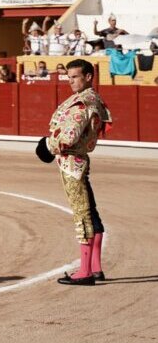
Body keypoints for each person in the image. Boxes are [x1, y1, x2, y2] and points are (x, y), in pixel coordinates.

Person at [38, 59, 112, 286]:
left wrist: (47, 146)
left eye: (75, 77)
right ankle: (96, 268)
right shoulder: (93, 99)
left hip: (72, 163)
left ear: (88, 76)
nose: (71, 82)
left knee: (82, 215)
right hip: (79, 161)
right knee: (90, 210)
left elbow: (69, 137)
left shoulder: (82, 103)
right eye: (68, 77)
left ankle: (85, 272)